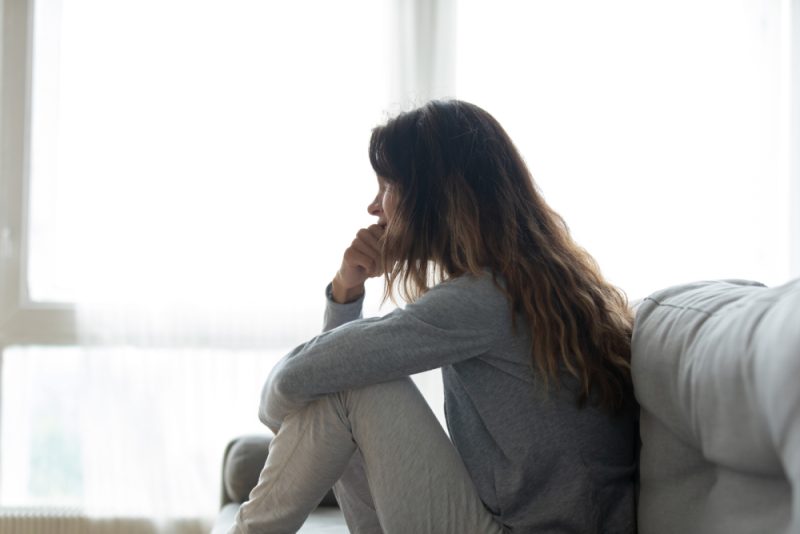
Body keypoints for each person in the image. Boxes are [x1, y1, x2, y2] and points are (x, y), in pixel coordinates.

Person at [229, 100, 638, 534]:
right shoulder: (524, 284)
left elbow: (294, 382)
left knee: (353, 385)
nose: (374, 206)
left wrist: (283, 415)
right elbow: (331, 369)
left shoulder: (483, 299)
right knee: (348, 378)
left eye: (387, 186)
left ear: (434, 199)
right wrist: (347, 289)